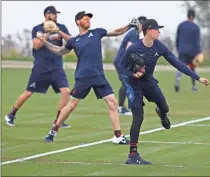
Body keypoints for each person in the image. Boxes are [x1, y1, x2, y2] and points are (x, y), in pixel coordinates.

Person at [38, 11, 140, 144]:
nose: (88, 20)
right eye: (85, 19)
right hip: (83, 77)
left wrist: (129, 26)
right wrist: (44, 41)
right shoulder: (74, 41)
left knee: (112, 103)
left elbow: (117, 32)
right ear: (78, 22)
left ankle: (118, 136)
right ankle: (53, 130)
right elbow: (59, 51)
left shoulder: (97, 32)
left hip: (99, 76)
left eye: (89, 19)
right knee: (72, 104)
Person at [118, 19, 209, 165]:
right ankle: (132, 155)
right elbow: (121, 67)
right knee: (138, 117)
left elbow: (177, 63)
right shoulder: (133, 48)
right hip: (134, 85)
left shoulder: (159, 47)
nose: (159, 32)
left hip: (149, 82)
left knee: (165, 107)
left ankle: (161, 113)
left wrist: (197, 77)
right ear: (148, 30)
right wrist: (132, 75)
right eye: (156, 29)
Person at [5, 6, 72, 128]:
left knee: (66, 91)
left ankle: (58, 120)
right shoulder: (38, 29)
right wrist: (47, 33)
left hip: (57, 67)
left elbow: (71, 41)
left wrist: (58, 31)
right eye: (53, 14)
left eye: (56, 14)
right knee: (28, 93)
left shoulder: (61, 27)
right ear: (47, 15)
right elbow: (36, 46)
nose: (56, 16)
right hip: (41, 67)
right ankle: (11, 114)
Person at [114, 16, 147, 116]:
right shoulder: (134, 33)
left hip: (123, 61)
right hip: (122, 62)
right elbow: (129, 49)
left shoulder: (136, 33)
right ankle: (120, 108)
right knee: (126, 83)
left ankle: (127, 107)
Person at [175, 9, 202, 92]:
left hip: (182, 50)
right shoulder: (196, 27)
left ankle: (177, 82)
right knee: (192, 69)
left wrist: (178, 48)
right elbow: (197, 41)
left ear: (187, 15)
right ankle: (194, 87)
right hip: (192, 52)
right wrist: (199, 52)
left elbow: (177, 38)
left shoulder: (181, 25)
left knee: (180, 67)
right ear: (194, 16)